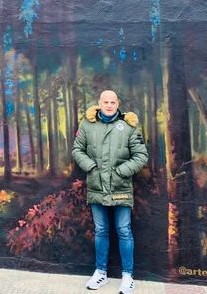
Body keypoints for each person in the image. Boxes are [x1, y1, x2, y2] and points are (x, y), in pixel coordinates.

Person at [72, 90, 148, 294]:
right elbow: (77, 149)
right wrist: (91, 167)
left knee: (124, 230)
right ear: (99, 103)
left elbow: (141, 155)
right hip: (97, 187)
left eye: (112, 102)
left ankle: (128, 276)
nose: (109, 105)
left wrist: (121, 172)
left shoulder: (129, 126)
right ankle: (101, 272)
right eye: (105, 101)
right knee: (101, 230)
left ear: (117, 103)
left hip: (121, 188)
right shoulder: (87, 124)